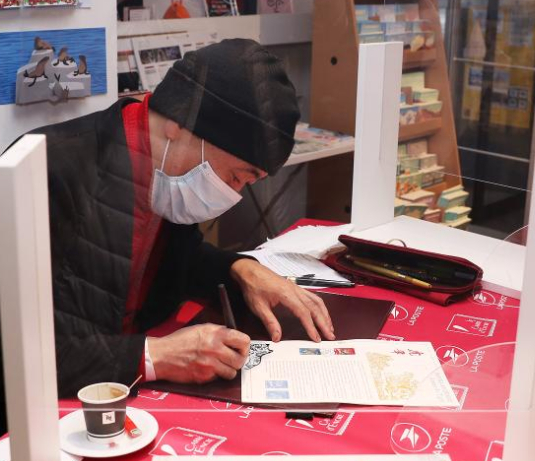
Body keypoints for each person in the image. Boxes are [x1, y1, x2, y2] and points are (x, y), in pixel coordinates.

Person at [5, 39, 335, 414]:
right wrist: (153, 356)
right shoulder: (47, 172)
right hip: (40, 419)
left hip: (128, 399)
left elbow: (166, 262)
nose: (233, 195)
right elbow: (15, 350)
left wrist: (242, 270)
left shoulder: (163, 169)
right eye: (236, 177)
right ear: (178, 127)